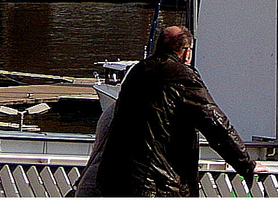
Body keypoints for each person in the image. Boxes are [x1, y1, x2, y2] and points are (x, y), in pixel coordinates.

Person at [96, 25, 256, 196]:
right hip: (157, 183)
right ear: (187, 52)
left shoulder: (138, 71)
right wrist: (246, 165)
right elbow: (216, 124)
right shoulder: (182, 76)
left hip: (115, 178)